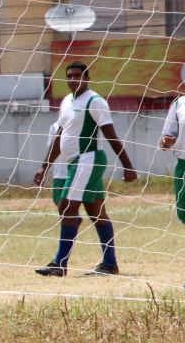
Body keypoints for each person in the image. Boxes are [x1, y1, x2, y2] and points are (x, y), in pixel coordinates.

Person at [33, 61, 137, 277]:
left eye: (77, 75)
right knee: (96, 212)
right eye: (69, 76)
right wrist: (44, 166)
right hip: (77, 163)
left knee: (66, 207)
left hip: (87, 160)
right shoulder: (66, 102)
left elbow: (111, 134)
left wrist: (127, 165)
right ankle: (110, 264)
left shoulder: (95, 101)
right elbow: (59, 135)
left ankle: (59, 264)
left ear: (87, 77)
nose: (73, 79)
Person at [158, 88, 185, 224]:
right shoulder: (180, 103)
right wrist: (166, 142)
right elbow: (169, 136)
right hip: (183, 165)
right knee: (183, 214)